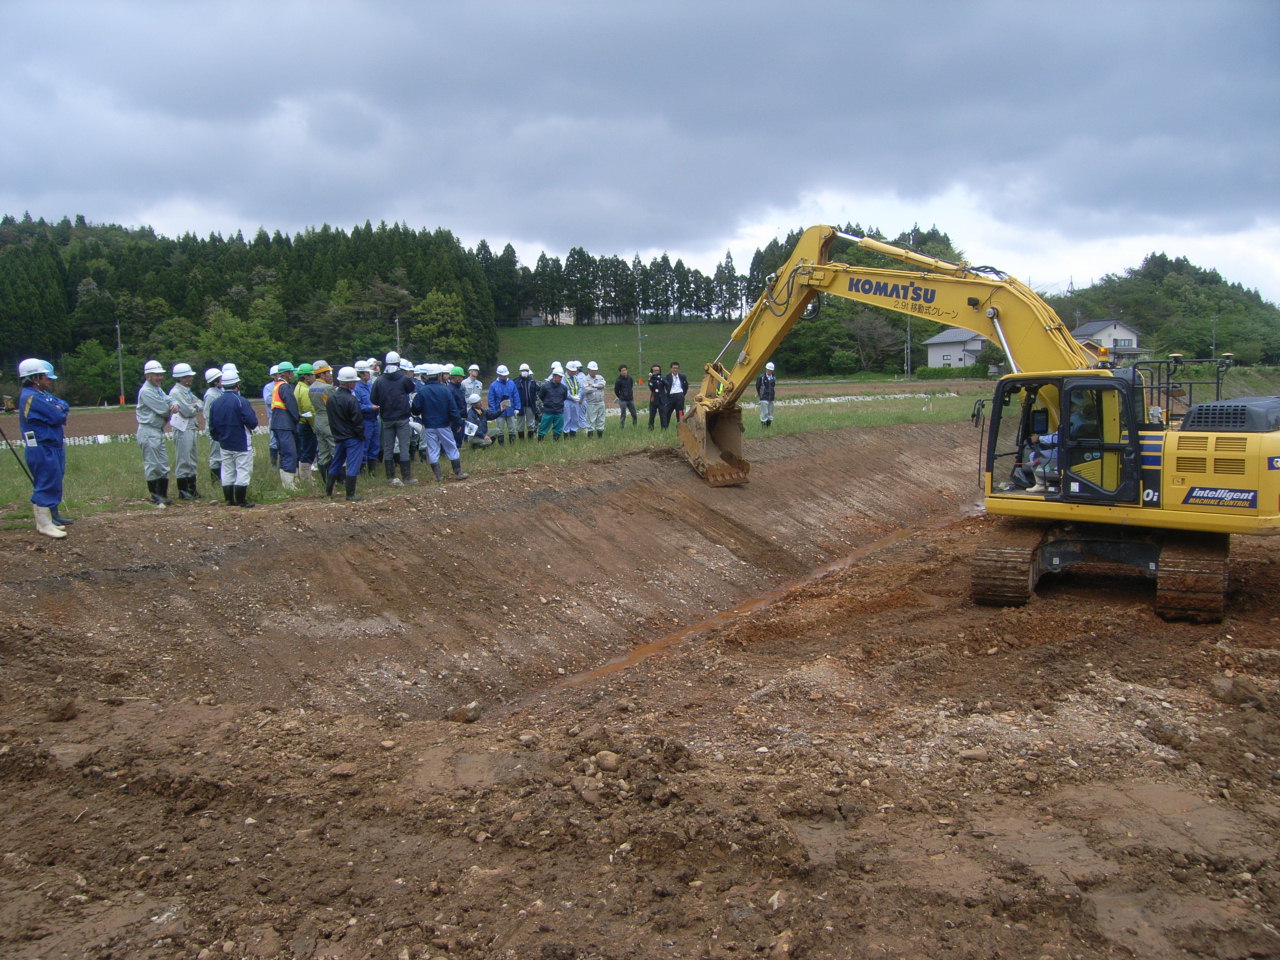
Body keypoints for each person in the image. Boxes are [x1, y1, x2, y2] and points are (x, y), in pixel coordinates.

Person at [17, 358, 69, 538]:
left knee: (53, 480)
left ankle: (46, 520)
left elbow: (63, 406)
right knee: (46, 482)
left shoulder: (41, 394)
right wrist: (58, 410)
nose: (50, 380)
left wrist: (59, 409)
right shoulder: (32, 397)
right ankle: (44, 523)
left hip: (51, 444)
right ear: (35, 377)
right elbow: (57, 415)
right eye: (46, 377)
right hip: (41, 446)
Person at [207, 364, 259, 508]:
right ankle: (241, 500)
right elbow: (252, 421)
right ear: (237, 384)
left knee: (227, 470)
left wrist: (219, 437)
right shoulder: (240, 401)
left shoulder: (216, 402)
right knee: (243, 470)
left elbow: (212, 425)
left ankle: (229, 500)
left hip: (224, 442)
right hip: (241, 442)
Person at [411, 364, 469, 481]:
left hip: (428, 425)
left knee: (433, 449)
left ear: (427, 377)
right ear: (439, 376)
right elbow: (452, 408)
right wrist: (458, 422)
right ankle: (458, 473)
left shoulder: (422, 391)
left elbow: (415, 409)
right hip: (444, 424)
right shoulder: (445, 390)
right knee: (451, 447)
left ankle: (438, 476)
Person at [370, 350, 418, 485]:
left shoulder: (379, 381)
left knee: (388, 448)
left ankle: (390, 477)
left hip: (386, 418)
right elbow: (410, 389)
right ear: (398, 363)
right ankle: (407, 477)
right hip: (402, 417)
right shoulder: (403, 379)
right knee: (404, 446)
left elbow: (373, 399)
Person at [136, 359, 176, 506]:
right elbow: (162, 409)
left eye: (161, 375)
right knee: (152, 464)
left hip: (157, 431)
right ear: (148, 376)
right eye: (156, 375)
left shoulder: (157, 389)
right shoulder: (146, 391)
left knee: (163, 464)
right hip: (148, 430)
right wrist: (171, 407)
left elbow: (169, 399)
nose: (160, 378)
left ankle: (163, 494)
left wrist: (172, 404)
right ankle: (155, 495)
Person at [326, 366, 367, 501]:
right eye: (354, 381)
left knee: (336, 463)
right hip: (352, 438)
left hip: (338, 437)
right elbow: (357, 421)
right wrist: (361, 435)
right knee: (353, 465)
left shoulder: (331, 398)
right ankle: (350, 494)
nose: (355, 383)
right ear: (349, 383)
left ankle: (328, 492)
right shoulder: (351, 399)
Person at [168, 362, 202, 499]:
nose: (191, 378)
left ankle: (192, 488)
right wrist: (193, 407)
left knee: (192, 458)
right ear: (182, 378)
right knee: (183, 458)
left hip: (190, 426)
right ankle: (183, 490)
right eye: (188, 376)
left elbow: (200, 403)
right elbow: (188, 411)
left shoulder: (186, 392)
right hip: (182, 428)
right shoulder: (176, 392)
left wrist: (194, 406)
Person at [268, 360, 301, 490]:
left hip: (277, 424)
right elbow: (291, 405)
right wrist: (297, 418)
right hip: (285, 424)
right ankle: (289, 485)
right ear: (287, 373)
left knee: (284, 453)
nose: (293, 375)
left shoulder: (276, 385)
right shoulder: (285, 387)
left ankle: (287, 482)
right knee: (290, 452)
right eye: (292, 372)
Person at [309, 361, 336, 480]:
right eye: (328, 372)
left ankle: (325, 481)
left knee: (323, 453)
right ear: (322, 374)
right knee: (335, 450)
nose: (330, 375)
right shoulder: (327, 388)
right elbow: (334, 404)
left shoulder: (311, 387)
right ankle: (340, 479)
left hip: (318, 420)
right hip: (328, 420)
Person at [353, 359, 380, 472]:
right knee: (364, 445)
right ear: (361, 374)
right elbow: (357, 405)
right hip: (365, 420)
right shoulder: (357, 388)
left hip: (374, 419)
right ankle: (362, 470)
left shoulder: (369, 385)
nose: (369, 374)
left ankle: (372, 470)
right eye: (367, 372)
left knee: (375, 445)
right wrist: (370, 407)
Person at [293, 362, 317, 484]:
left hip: (301, 424)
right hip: (306, 425)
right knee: (308, 451)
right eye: (312, 375)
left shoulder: (298, 387)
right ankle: (306, 478)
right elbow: (309, 410)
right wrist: (314, 426)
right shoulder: (305, 390)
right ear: (306, 377)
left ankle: (303, 476)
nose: (314, 377)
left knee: (304, 450)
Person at [487, 365, 521, 445]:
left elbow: (516, 396)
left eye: (505, 375)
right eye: (503, 376)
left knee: (512, 428)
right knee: (500, 429)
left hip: (510, 410)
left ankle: (512, 444)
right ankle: (501, 444)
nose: (504, 377)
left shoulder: (511, 383)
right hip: (499, 411)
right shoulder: (493, 385)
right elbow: (491, 399)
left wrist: (517, 408)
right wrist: (493, 412)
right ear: (499, 375)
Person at [202, 367, 224, 487]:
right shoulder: (211, 395)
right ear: (216, 382)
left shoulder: (218, 392)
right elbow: (208, 414)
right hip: (215, 429)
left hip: (220, 428)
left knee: (221, 455)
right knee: (215, 456)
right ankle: (215, 481)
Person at [537, 365, 569, 440]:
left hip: (559, 412)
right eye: (559, 376)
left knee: (558, 430)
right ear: (554, 376)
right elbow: (541, 396)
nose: (560, 378)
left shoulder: (564, 388)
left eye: (561, 377)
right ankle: (540, 442)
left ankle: (556, 442)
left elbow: (564, 397)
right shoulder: (545, 386)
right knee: (543, 429)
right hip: (548, 411)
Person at [513, 363, 540, 439]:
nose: (524, 372)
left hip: (530, 405)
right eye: (523, 370)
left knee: (531, 424)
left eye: (526, 370)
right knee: (520, 424)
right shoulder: (515, 382)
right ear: (519, 371)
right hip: (520, 406)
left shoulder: (532, 381)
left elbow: (537, 391)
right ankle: (521, 440)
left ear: (528, 371)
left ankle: (530, 439)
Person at [583, 361, 607, 438]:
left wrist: (593, 385)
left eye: (595, 370)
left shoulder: (600, 377)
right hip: (591, 403)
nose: (594, 372)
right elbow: (586, 389)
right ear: (589, 370)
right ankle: (590, 437)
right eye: (592, 370)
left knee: (601, 419)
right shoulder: (585, 379)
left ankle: (600, 437)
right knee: (591, 420)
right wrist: (597, 387)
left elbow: (603, 384)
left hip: (600, 402)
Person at [661, 361, 687, 429]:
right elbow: (663, 387)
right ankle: (665, 428)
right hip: (670, 397)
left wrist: (682, 394)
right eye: (674, 368)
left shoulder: (682, 377)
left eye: (676, 368)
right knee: (667, 413)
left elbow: (686, 386)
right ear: (671, 369)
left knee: (680, 413)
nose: (675, 370)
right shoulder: (667, 377)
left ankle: (681, 428)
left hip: (680, 396)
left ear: (678, 369)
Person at [563, 360, 585, 437]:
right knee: (567, 418)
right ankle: (566, 433)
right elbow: (565, 390)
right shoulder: (564, 378)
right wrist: (572, 397)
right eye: (571, 371)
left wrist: (578, 396)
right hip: (567, 401)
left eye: (574, 371)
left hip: (576, 401)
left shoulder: (576, 378)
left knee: (575, 418)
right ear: (567, 370)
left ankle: (573, 434)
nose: (573, 372)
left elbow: (580, 387)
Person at [614, 365, 637, 429]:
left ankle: (635, 426)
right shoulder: (618, 381)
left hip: (630, 399)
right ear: (620, 372)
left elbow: (631, 387)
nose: (624, 372)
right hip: (623, 400)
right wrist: (621, 396)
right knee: (623, 414)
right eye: (622, 371)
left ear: (627, 370)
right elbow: (616, 391)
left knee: (634, 414)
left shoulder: (630, 378)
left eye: (625, 370)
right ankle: (622, 427)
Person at [756, 361, 777, 427]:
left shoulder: (773, 377)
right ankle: (763, 426)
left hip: (771, 397)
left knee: (770, 413)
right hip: (764, 397)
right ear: (766, 369)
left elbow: (773, 387)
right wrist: (760, 394)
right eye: (768, 369)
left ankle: (768, 426)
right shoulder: (761, 377)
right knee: (764, 412)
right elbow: (758, 386)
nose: (769, 371)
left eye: (770, 370)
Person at [646, 363, 665, 430]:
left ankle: (664, 428)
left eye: (658, 370)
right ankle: (650, 428)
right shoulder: (651, 379)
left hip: (661, 399)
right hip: (654, 399)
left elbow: (667, 386)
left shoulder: (662, 378)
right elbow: (651, 388)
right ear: (652, 371)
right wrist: (651, 379)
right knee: (652, 415)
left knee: (663, 415)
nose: (656, 372)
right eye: (655, 370)